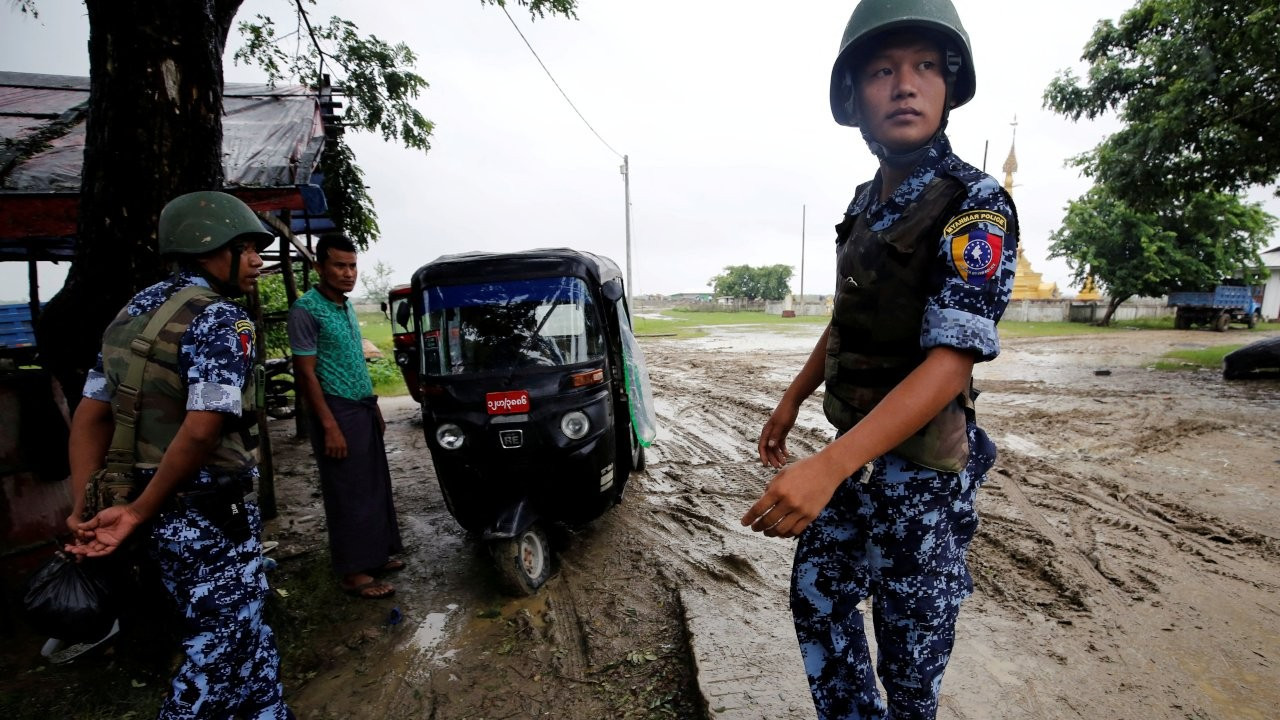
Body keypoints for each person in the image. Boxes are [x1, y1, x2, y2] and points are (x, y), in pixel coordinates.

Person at [740, 1, 1019, 718]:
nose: (905, 84)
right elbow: (849, 315)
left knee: (910, 662)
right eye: (882, 70)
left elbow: (952, 361)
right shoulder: (866, 202)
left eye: (926, 65)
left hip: (921, 478)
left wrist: (825, 468)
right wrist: (794, 396)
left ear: (950, 86)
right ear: (854, 99)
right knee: (819, 603)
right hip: (855, 459)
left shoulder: (974, 203)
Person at [66, 191, 292, 719]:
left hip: (151, 506)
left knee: (249, 633)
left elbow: (90, 416)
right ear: (208, 248)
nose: (258, 261)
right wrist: (140, 511)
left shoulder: (130, 314)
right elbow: (201, 430)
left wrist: (87, 506)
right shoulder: (222, 320)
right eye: (246, 248)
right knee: (218, 650)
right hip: (202, 508)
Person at [287, 233, 404, 599]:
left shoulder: (346, 305)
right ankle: (353, 573)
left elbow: (353, 360)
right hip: (335, 411)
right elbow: (306, 373)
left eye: (352, 265)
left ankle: (375, 555)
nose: (348, 272)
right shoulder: (306, 310)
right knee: (347, 492)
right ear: (319, 267)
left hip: (361, 407)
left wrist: (374, 407)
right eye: (339, 265)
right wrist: (328, 426)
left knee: (372, 485)